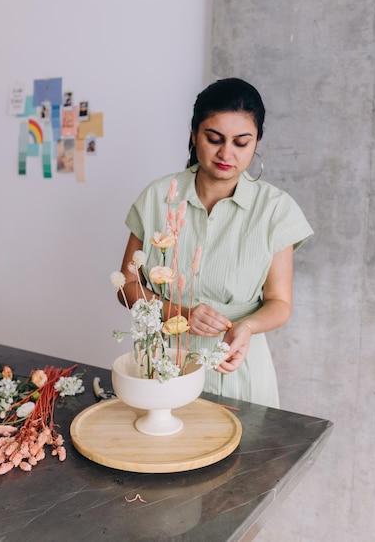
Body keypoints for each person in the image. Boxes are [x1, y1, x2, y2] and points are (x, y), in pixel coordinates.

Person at [119, 78, 313, 406]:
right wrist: (178, 312)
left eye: (241, 142)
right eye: (214, 138)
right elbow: (126, 284)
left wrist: (247, 327)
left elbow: (280, 302)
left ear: (257, 142)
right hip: (163, 363)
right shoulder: (157, 197)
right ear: (194, 134)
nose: (226, 153)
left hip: (235, 363)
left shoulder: (276, 209)